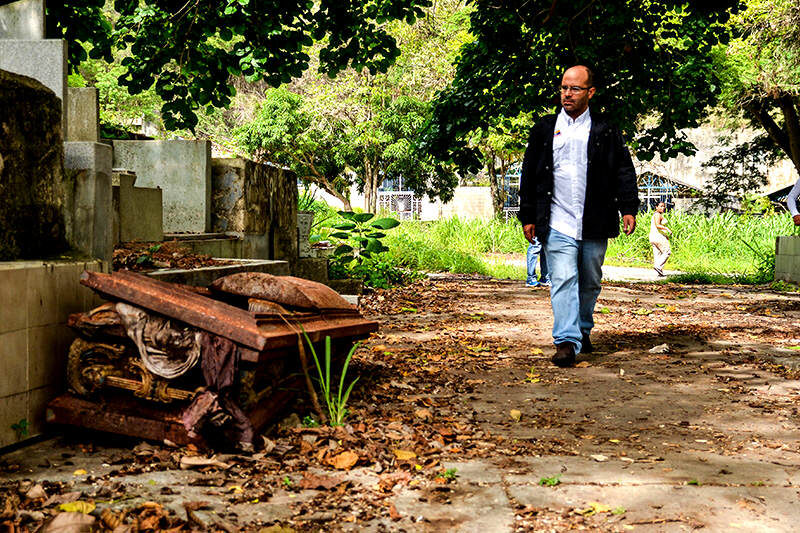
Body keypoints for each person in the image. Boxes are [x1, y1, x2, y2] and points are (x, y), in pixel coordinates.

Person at [518, 65, 639, 368]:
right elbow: (530, 173)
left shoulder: (605, 128)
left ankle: (582, 330)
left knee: (589, 280)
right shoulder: (545, 128)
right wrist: (528, 215)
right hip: (556, 219)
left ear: (590, 92)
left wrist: (628, 207)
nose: (567, 94)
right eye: (563, 88)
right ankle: (566, 342)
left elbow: (623, 169)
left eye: (574, 89)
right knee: (562, 278)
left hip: (594, 218)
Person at [649, 201, 672, 276]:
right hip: (658, 236)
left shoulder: (656, 215)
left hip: (653, 236)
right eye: (661, 206)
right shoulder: (657, 214)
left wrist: (666, 235)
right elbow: (658, 225)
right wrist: (667, 229)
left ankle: (659, 271)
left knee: (657, 253)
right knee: (667, 251)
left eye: (664, 206)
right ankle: (658, 266)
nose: (663, 208)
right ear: (656, 207)